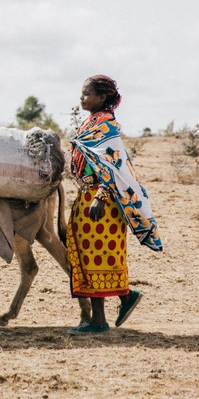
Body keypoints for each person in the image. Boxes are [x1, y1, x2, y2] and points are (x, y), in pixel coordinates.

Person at [66, 75, 163, 333]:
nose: (82, 98)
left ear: (102, 98)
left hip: (102, 202)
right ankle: (122, 298)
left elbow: (113, 167)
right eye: (82, 93)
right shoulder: (91, 122)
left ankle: (100, 319)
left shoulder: (106, 126)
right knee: (90, 257)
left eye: (86, 94)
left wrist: (100, 196)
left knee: (97, 257)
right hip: (86, 197)